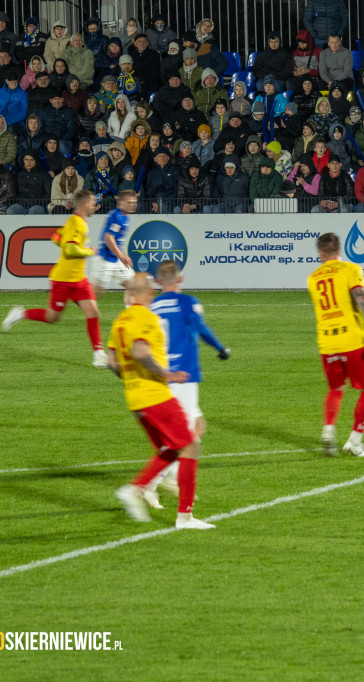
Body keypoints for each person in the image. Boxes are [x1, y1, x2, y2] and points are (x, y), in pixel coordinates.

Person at [109, 272, 214, 529]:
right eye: (152, 291)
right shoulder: (146, 317)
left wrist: (131, 380)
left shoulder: (120, 320)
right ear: (147, 292)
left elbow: (112, 362)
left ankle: (138, 489)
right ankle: (183, 516)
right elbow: (139, 351)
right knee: (190, 446)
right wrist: (167, 374)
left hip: (134, 398)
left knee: (169, 449)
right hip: (155, 394)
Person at [141, 260, 230, 510]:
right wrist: (221, 348)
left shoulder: (152, 306)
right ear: (179, 279)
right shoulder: (188, 302)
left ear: (158, 282)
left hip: (162, 374)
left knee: (198, 426)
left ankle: (169, 478)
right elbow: (200, 328)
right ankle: (152, 483)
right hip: (184, 375)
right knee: (183, 437)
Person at [2, 189, 107, 367]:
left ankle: (99, 355)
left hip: (78, 279)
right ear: (85, 204)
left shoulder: (76, 222)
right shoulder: (77, 223)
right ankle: (20, 314)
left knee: (93, 313)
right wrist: (89, 251)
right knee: (53, 318)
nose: (95, 206)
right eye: (92, 202)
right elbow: (70, 250)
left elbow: (56, 237)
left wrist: (76, 245)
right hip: (63, 279)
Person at [308, 232, 364, 458]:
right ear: (338, 249)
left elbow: (336, 300)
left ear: (321, 252)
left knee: (335, 389)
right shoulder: (350, 269)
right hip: (351, 339)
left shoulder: (313, 277)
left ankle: (328, 431)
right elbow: (358, 295)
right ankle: (354, 441)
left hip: (326, 342)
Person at [90, 190, 137, 301]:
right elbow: (108, 238)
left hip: (116, 260)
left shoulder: (125, 217)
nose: (133, 205)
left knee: (133, 285)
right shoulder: (117, 216)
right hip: (104, 260)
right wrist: (122, 256)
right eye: (129, 202)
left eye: (135, 202)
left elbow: (118, 241)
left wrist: (124, 255)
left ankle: (132, 315)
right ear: (121, 203)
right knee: (94, 296)